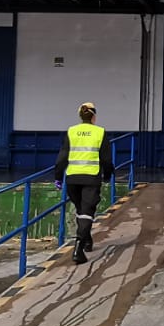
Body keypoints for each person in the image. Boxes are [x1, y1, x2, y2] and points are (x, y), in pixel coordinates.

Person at [55, 102, 106, 264]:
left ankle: (88, 240)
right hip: (91, 178)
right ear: (94, 116)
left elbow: (62, 156)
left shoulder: (71, 131)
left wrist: (58, 176)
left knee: (81, 211)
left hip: (72, 179)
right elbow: (106, 159)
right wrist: (109, 174)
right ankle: (78, 248)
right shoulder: (100, 132)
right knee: (87, 212)